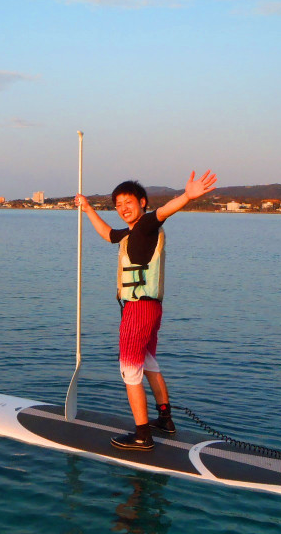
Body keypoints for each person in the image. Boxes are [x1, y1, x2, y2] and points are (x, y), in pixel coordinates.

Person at [75, 170, 217, 451]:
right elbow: (108, 234)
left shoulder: (147, 225)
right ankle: (165, 419)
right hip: (150, 309)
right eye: (118, 205)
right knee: (148, 362)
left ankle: (142, 435)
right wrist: (88, 208)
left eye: (128, 202)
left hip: (139, 309)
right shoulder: (132, 232)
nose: (123, 208)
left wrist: (187, 196)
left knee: (129, 369)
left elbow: (163, 211)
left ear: (142, 202)